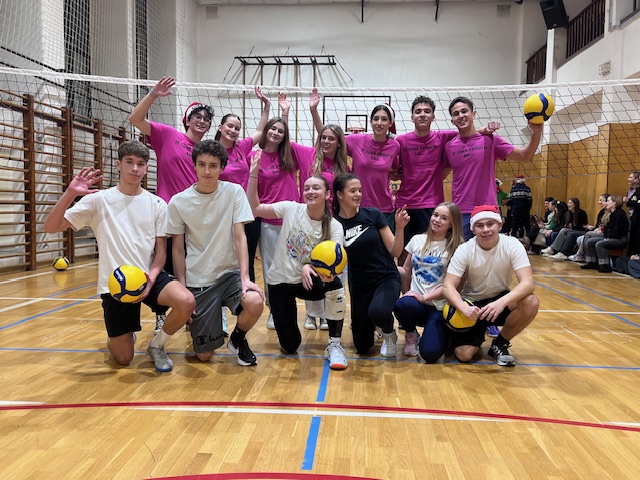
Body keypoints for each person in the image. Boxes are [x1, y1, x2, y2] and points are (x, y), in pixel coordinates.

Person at [43, 141, 194, 372]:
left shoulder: (157, 204)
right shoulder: (98, 200)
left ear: (146, 168)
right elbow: (51, 227)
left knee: (186, 301)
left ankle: (156, 346)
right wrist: (70, 193)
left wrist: (151, 279)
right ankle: (123, 336)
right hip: (116, 284)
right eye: (129, 162)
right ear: (118, 164)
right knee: (123, 358)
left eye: (140, 164)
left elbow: (161, 252)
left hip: (148, 276)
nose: (135, 168)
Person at [129, 76, 214, 334]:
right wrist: (153, 94)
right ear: (187, 119)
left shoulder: (206, 151)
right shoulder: (168, 135)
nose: (201, 120)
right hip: (166, 212)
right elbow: (135, 119)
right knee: (163, 264)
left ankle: (190, 311)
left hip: (195, 216)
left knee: (192, 264)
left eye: (206, 118)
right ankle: (160, 314)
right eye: (197, 116)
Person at [247, 153, 349, 370]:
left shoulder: (334, 226)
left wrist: (308, 266)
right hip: (280, 281)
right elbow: (255, 208)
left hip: (310, 281)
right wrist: (253, 175)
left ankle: (334, 344)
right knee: (290, 346)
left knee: (335, 285)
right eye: (307, 188)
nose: (310, 191)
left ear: (327, 194)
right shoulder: (291, 208)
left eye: (316, 188)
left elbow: (333, 265)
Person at [168, 140, 264, 366]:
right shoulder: (178, 202)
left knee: (254, 301)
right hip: (199, 280)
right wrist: (183, 287)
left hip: (229, 275)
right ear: (194, 165)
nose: (207, 171)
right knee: (204, 356)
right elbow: (178, 248)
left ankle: (238, 338)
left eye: (213, 165)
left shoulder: (234, 192)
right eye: (202, 164)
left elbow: (240, 236)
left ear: (222, 168)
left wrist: (245, 277)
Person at [442, 205, 539, 367]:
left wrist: (500, 303)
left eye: (490, 224)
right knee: (464, 355)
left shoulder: (512, 244)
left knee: (531, 301)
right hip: (472, 304)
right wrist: (464, 308)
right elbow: (448, 286)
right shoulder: (465, 249)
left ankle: (500, 344)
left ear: (500, 225)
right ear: (473, 229)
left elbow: (528, 283)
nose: (485, 229)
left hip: (499, 300)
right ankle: (464, 335)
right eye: (480, 225)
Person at [287, 91, 350, 331]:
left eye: (331, 139)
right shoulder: (309, 156)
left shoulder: (343, 166)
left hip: (331, 221)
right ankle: (311, 314)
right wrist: (307, 110)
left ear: (339, 142)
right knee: (308, 262)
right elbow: (285, 140)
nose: (326, 141)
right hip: (308, 219)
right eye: (323, 137)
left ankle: (325, 314)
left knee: (329, 265)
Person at [443, 96, 543, 240]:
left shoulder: (490, 140)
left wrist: (536, 133)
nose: (461, 116)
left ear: (473, 114)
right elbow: (440, 175)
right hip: (461, 212)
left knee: (489, 254)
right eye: (456, 113)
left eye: (464, 111)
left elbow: (525, 156)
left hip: (488, 210)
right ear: (452, 120)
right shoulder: (449, 146)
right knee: (462, 253)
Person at [332, 173, 409, 358]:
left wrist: (399, 228)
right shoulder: (334, 224)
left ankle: (389, 333)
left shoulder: (373, 214)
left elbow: (395, 251)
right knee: (362, 346)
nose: (358, 194)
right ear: (339, 194)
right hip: (359, 285)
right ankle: (372, 326)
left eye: (360, 190)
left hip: (386, 278)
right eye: (353, 191)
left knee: (378, 312)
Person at [311, 90, 400, 229]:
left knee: (386, 244)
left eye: (384, 119)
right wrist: (314, 110)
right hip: (357, 205)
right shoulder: (356, 140)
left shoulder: (395, 146)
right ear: (370, 121)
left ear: (390, 123)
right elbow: (329, 137)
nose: (379, 123)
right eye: (375, 119)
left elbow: (396, 171)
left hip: (384, 207)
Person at [249, 115, 302, 330]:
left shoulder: (289, 155)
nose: (276, 133)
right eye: (273, 129)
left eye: (281, 131)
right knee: (271, 267)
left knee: (296, 265)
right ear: (266, 131)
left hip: (293, 220)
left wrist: (286, 112)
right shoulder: (254, 156)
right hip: (269, 219)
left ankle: (295, 309)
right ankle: (274, 310)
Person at [393, 202, 464, 362]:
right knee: (402, 304)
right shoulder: (417, 240)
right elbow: (406, 270)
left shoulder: (457, 247)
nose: (437, 220)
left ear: (452, 224)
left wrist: (425, 297)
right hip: (417, 304)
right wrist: (406, 291)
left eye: (444, 218)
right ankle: (411, 333)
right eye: (435, 215)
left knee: (430, 354)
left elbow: (451, 286)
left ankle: (445, 333)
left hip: (439, 307)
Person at [215, 87, 271, 283]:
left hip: (247, 212)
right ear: (220, 127)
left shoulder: (241, 147)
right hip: (224, 213)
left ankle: (248, 294)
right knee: (226, 258)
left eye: (237, 128)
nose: (233, 130)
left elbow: (260, 132)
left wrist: (266, 106)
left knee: (248, 256)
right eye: (230, 126)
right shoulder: (212, 152)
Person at [581, 195, 629, 273]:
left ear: (614, 203)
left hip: (619, 239)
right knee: (590, 242)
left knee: (600, 244)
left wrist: (607, 237)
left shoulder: (620, 215)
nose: (606, 203)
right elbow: (607, 229)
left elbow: (617, 231)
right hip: (611, 237)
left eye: (608, 201)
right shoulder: (611, 214)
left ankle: (604, 265)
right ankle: (592, 262)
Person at [568, 193, 609, 262]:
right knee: (579, 238)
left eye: (601, 200)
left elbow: (607, 227)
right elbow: (598, 225)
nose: (599, 202)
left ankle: (581, 254)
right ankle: (585, 256)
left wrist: (600, 229)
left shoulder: (611, 214)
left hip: (603, 234)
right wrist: (593, 228)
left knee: (586, 236)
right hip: (597, 231)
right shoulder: (601, 212)